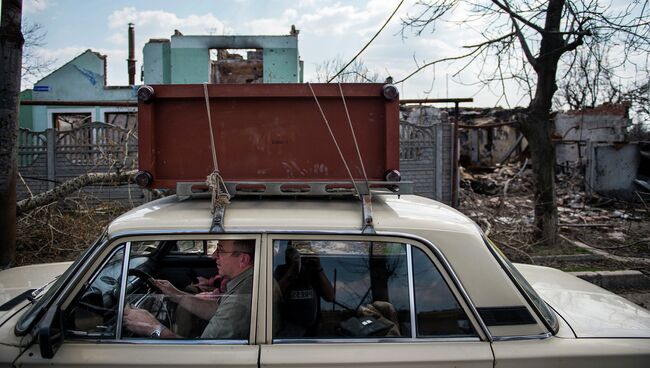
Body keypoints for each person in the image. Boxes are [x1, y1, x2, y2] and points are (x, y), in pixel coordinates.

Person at [123, 239, 255, 339]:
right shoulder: (246, 283)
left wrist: (153, 328)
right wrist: (176, 295)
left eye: (220, 250)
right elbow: (217, 309)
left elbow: (203, 354)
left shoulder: (239, 303)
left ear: (243, 259)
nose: (214, 256)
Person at [273, 243, 335, 336]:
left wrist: (318, 267)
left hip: (312, 333)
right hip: (286, 332)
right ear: (289, 253)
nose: (302, 254)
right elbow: (274, 296)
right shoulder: (282, 270)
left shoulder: (313, 270)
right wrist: (293, 268)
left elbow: (330, 297)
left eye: (305, 250)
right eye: (297, 250)